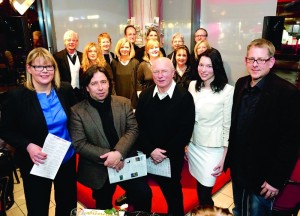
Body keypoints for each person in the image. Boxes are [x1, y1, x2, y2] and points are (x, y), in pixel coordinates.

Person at [225, 38, 300, 216]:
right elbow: (235, 126)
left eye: (261, 60)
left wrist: (275, 180)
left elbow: (290, 142)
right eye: (251, 59)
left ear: (271, 62)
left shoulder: (287, 93)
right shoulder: (241, 84)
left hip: (263, 176)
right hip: (239, 170)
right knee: (239, 210)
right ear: (246, 61)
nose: (255, 64)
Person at [0, 47, 77, 216]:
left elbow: (78, 117)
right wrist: (28, 146)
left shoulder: (64, 90)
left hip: (66, 159)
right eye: (39, 67)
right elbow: (5, 129)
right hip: (37, 162)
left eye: (49, 66)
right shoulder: (17, 97)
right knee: (38, 208)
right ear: (29, 69)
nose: (45, 71)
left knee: (67, 205)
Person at [69, 65, 152, 211]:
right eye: (94, 84)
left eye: (103, 82)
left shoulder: (123, 102)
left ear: (109, 83)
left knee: (143, 194)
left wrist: (118, 154)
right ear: (87, 88)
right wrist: (110, 158)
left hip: (125, 160)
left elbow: (133, 129)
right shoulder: (77, 111)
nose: (100, 88)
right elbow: (80, 144)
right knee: (103, 204)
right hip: (99, 166)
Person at [136, 57, 195, 215]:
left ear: (173, 73)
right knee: (141, 194)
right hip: (147, 155)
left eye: (164, 71)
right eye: (156, 71)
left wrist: (163, 153)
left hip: (170, 158)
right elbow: (138, 126)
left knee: (173, 197)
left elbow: (184, 132)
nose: (160, 75)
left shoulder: (184, 97)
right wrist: (151, 150)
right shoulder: (145, 96)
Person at [187, 49, 234, 206]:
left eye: (209, 66)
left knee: (205, 191)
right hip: (194, 145)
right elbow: (187, 118)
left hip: (213, 149)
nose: (204, 70)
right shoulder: (193, 85)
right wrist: (186, 144)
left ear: (217, 67)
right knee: (199, 188)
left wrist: (225, 157)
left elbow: (228, 125)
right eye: (201, 65)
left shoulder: (227, 91)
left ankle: (207, 211)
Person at [54, 30, 83, 99]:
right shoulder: (57, 56)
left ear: (77, 42)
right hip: (65, 92)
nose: (71, 42)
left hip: (81, 92)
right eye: (69, 40)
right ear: (65, 42)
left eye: (74, 40)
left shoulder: (82, 56)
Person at [112, 37, 139, 108]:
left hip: (132, 100)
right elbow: (112, 82)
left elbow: (137, 83)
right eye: (122, 47)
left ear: (130, 49)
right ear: (118, 49)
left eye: (127, 47)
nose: (124, 49)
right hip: (118, 99)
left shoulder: (135, 63)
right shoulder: (114, 63)